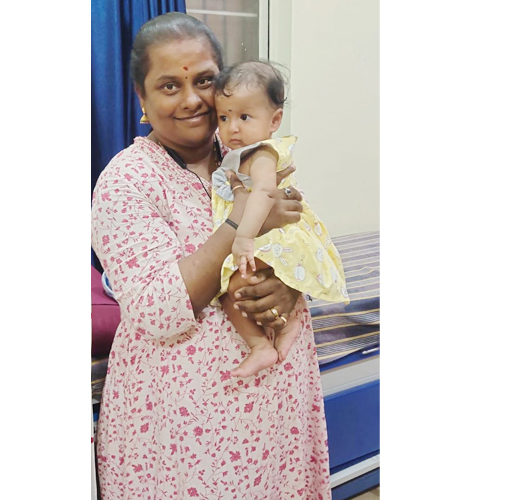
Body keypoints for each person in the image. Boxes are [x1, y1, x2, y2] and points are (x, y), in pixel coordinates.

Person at [92, 12, 331, 500]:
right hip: (183, 424)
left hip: (276, 408)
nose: (193, 99)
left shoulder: (250, 152)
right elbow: (158, 310)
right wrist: (241, 221)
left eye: (204, 80)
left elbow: (300, 239)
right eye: (169, 86)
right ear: (141, 98)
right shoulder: (127, 181)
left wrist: (288, 285)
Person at [210, 61, 349, 378]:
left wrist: (243, 237)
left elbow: (263, 194)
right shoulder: (240, 154)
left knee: (235, 283)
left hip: (271, 235)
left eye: (244, 117)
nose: (232, 127)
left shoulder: (262, 154)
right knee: (230, 287)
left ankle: (267, 340)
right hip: (262, 233)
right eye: (224, 117)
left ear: (274, 120)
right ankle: (274, 336)